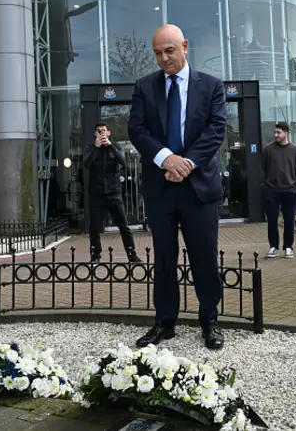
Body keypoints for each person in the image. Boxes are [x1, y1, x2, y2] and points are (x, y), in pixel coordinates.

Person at [128, 24, 226, 350]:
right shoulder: (145, 87)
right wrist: (166, 158)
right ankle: (164, 322)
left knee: (204, 256)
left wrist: (186, 163)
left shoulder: (211, 86)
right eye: (157, 53)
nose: (164, 58)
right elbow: (137, 130)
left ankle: (209, 320)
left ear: (185, 46)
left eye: (169, 51)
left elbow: (216, 129)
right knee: (164, 257)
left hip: (198, 187)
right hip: (161, 187)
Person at [83, 123, 142, 264]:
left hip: (114, 192)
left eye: (104, 131)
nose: (101, 133)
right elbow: (86, 164)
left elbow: (123, 161)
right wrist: (96, 148)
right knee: (95, 227)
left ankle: (131, 254)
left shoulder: (116, 147)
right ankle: (95, 255)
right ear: (94, 134)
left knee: (123, 225)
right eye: (99, 131)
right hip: (97, 194)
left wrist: (110, 146)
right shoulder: (90, 148)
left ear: (108, 133)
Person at [261, 121, 296, 259]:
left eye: (279, 132)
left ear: (286, 133)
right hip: (271, 191)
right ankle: (273, 247)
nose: (276, 135)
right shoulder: (267, 150)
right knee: (272, 221)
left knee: (289, 220)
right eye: (275, 132)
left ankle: (288, 247)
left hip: (290, 191)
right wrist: (264, 186)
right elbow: (262, 169)